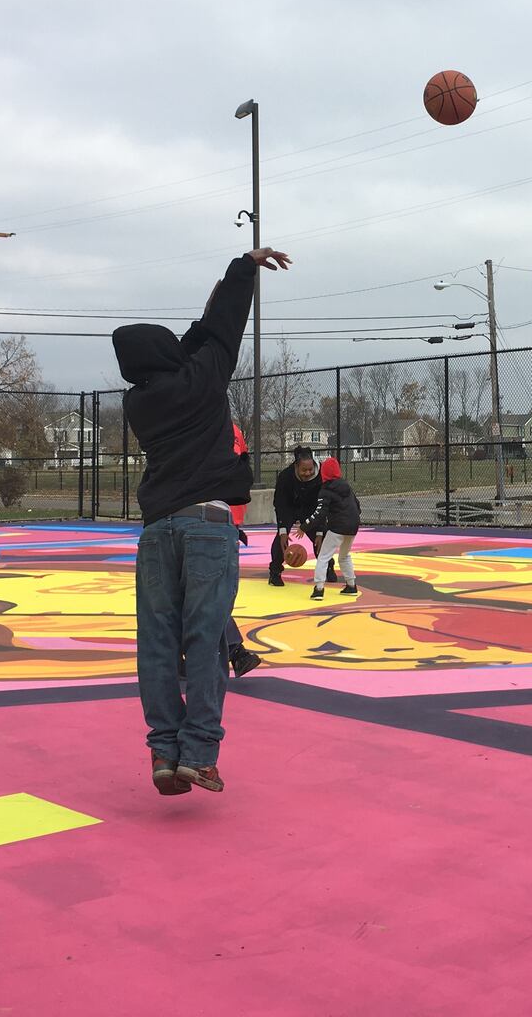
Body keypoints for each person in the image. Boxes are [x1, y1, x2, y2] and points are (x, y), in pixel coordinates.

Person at [112, 245, 290, 797]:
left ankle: (164, 752)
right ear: (165, 352)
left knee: (158, 643)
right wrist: (243, 268)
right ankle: (200, 753)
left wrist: (231, 276)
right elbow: (221, 328)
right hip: (206, 526)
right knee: (207, 640)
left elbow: (196, 341)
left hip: (156, 532)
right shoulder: (202, 380)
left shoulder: (139, 402)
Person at [225, 422, 262, 678]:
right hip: (205, 520)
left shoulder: (234, 429)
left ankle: (233, 650)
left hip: (228, 523)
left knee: (224, 593)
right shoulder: (198, 419)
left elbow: (242, 468)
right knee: (214, 594)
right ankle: (234, 650)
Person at [269, 446, 334, 587]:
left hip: (311, 509)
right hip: (290, 508)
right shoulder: (285, 477)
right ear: (296, 466)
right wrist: (282, 530)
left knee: (321, 539)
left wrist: (319, 531)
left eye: (310, 469)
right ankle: (275, 572)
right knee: (281, 540)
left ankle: (328, 567)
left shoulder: (322, 476)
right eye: (304, 470)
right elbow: (280, 504)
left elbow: (323, 506)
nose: (308, 472)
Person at [300, 456, 360, 601]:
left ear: (324, 473)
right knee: (344, 556)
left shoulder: (326, 490)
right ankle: (351, 585)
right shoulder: (347, 487)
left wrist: (304, 526)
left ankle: (319, 589)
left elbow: (319, 513)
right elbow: (357, 506)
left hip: (337, 527)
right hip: (353, 527)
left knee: (323, 557)